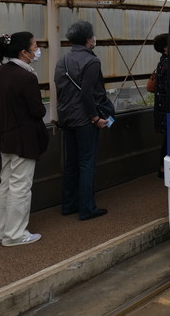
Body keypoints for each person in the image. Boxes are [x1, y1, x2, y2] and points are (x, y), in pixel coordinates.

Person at [0, 32, 49, 246]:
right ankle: (15, 235)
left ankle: (0, 232)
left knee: (6, 184)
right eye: (35, 46)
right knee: (20, 186)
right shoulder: (26, 77)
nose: (38, 50)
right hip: (24, 139)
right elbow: (38, 110)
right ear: (24, 52)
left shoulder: (0, 71)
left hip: (4, 136)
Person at [54, 21, 111, 221]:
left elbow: (60, 89)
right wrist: (95, 117)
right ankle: (87, 208)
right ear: (88, 40)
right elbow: (87, 93)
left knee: (71, 163)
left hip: (67, 118)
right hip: (85, 120)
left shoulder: (63, 60)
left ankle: (69, 205)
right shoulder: (91, 61)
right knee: (87, 163)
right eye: (93, 35)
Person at [152, 33, 169, 178]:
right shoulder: (169, 64)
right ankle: (163, 169)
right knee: (169, 140)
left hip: (161, 107)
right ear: (165, 48)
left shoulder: (162, 62)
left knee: (167, 139)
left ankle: (162, 169)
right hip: (167, 108)